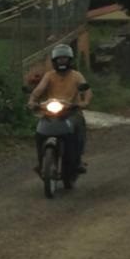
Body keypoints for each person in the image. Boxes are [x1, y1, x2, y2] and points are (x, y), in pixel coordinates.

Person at [27, 43, 92, 173]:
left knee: (79, 128)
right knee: (40, 132)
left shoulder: (76, 75)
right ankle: (41, 162)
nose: (62, 61)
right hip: (50, 111)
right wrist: (32, 100)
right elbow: (39, 89)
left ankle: (78, 160)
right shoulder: (49, 75)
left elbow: (87, 90)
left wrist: (84, 102)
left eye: (65, 59)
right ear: (54, 61)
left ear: (70, 60)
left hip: (71, 111)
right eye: (59, 59)